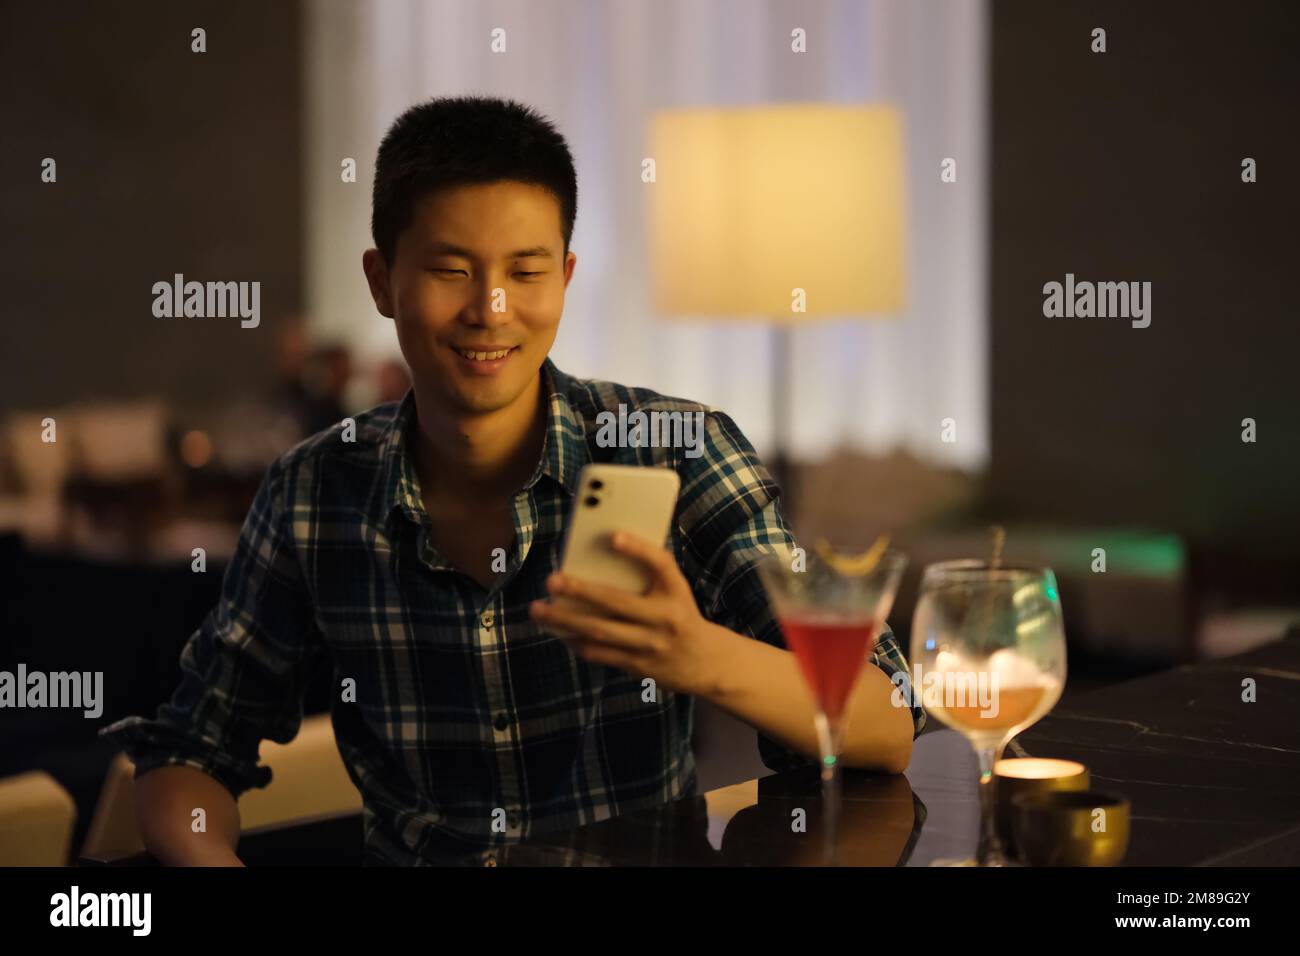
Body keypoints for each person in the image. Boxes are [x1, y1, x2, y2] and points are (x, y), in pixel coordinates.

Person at [100, 95, 925, 866]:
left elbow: (887, 720)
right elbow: (192, 750)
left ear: (564, 277)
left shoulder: (675, 450)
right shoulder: (315, 494)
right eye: (451, 270)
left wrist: (694, 653)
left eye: (525, 272)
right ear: (382, 282)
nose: (491, 308)